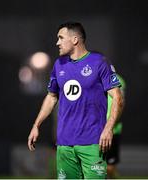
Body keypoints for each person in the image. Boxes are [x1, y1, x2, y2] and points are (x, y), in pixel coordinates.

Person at [28, 22, 124, 179]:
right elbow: (51, 96)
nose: (57, 42)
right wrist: (36, 125)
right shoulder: (59, 65)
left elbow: (118, 97)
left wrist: (108, 128)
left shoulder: (99, 62)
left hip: (93, 143)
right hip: (65, 144)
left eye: (61, 38)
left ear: (74, 39)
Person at [106, 74, 126, 178]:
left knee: (110, 168)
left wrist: (111, 124)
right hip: (94, 130)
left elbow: (120, 102)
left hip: (113, 130)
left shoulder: (117, 79)